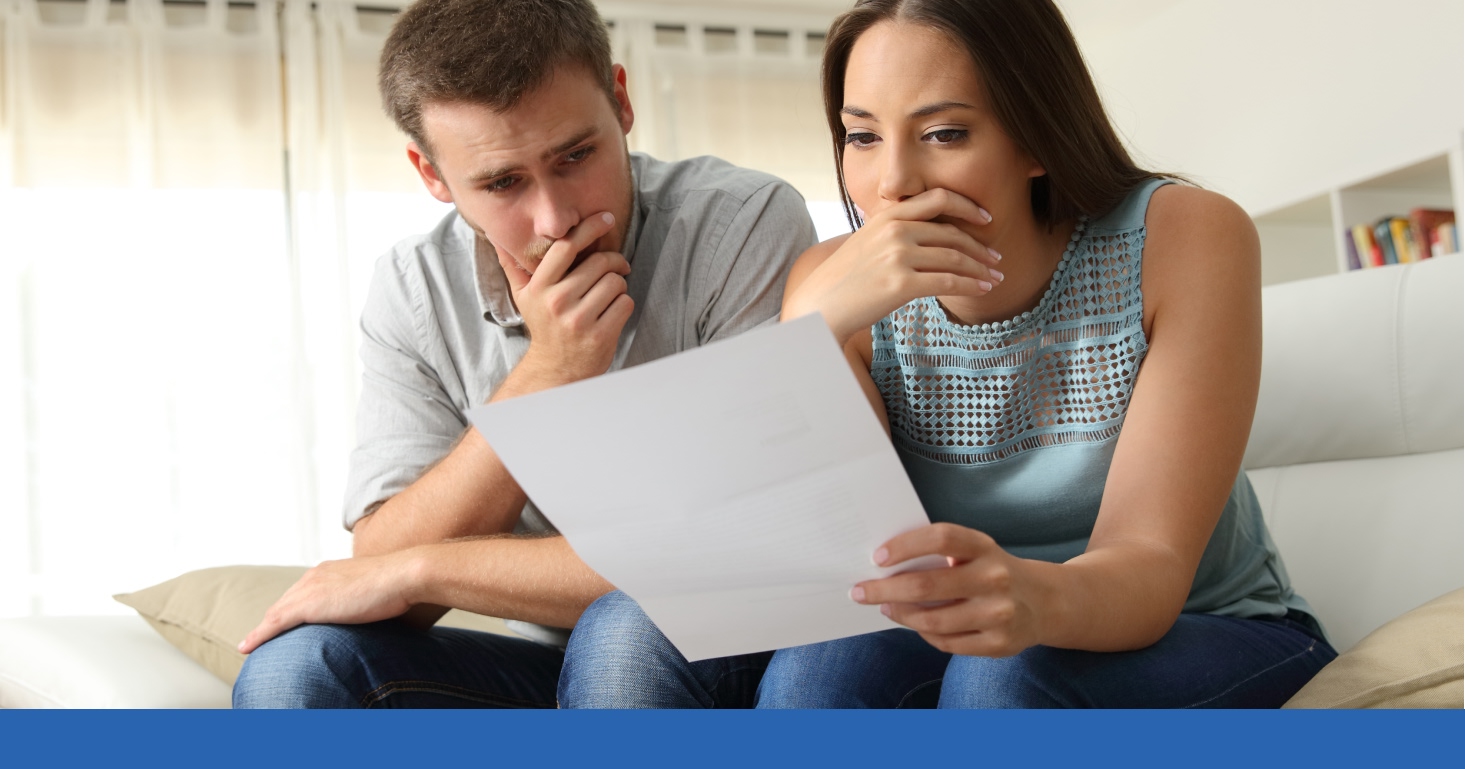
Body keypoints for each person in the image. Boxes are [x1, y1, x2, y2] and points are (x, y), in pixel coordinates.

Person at [557, 0, 1337, 708]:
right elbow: (825, 557)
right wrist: (812, 331)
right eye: (861, 136)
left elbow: (1149, 566)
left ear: (1037, 134)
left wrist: (1032, 597)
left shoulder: (1183, 236)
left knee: (1006, 666)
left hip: (1200, 628)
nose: (891, 183)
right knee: (647, 631)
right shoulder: (830, 288)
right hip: (946, 628)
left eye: (943, 134)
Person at [230, 0, 815, 708]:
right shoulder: (415, 289)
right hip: (549, 666)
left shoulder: (740, 223)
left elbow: (733, 556)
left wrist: (420, 567)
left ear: (621, 102)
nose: (554, 217)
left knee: (625, 628)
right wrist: (549, 371)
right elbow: (380, 590)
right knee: (300, 667)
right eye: (503, 182)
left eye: (576, 156)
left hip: (728, 643)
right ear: (432, 174)